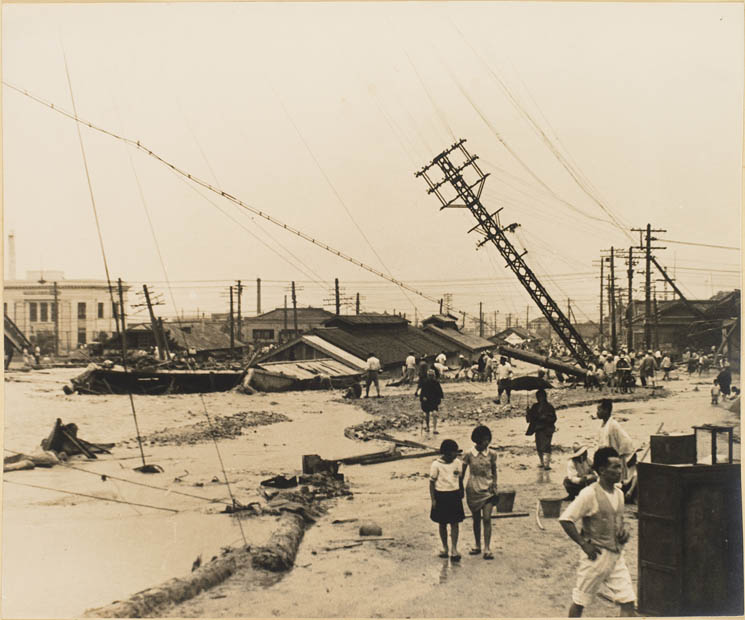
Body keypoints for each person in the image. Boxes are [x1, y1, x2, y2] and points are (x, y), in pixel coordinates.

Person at [559, 447, 635, 617]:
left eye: (620, 466)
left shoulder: (620, 494)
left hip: (616, 557)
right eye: (614, 467)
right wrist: (584, 544)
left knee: (628, 601)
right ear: (602, 470)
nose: (619, 470)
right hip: (595, 558)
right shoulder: (588, 494)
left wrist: (624, 532)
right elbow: (566, 519)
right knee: (580, 602)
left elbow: (618, 523)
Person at [461, 425, 498, 559]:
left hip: (488, 489)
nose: (486, 443)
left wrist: (495, 485)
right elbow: (462, 472)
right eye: (483, 440)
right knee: (476, 519)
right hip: (473, 489)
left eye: (488, 439)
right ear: (477, 440)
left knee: (487, 518)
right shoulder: (468, 454)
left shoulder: (492, 454)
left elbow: (494, 470)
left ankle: (487, 548)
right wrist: (459, 487)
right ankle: (477, 545)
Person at [429, 439, 465, 561]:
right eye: (454, 452)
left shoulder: (458, 463)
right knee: (442, 523)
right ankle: (445, 547)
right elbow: (432, 483)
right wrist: (433, 499)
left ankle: (454, 548)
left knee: (455, 523)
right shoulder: (436, 465)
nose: (456, 455)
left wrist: (461, 490)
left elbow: (459, 479)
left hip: (454, 495)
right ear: (447, 453)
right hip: (441, 496)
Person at [596, 399, 634, 485]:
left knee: (617, 481)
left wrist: (619, 456)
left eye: (599, 409)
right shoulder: (603, 425)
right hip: (606, 458)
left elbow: (626, 441)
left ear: (606, 410)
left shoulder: (614, 425)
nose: (597, 412)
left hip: (615, 458)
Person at [526, 389, 557, 470]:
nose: (540, 398)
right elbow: (530, 419)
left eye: (541, 396)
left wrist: (545, 418)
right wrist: (528, 413)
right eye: (538, 397)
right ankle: (542, 462)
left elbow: (554, 418)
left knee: (546, 445)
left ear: (545, 397)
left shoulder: (549, 407)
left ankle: (547, 464)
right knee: (539, 446)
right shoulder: (535, 406)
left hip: (547, 428)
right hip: (538, 428)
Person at [420, 369, 444, 434]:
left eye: (432, 375)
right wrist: (423, 397)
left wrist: (440, 398)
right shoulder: (425, 382)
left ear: (434, 376)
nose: (431, 377)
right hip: (427, 401)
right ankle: (428, 427)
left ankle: (435, 429)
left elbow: (440, 392)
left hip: (433, 400)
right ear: (428, 376)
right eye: (430, 375)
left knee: (435, 414)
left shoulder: (436, 382)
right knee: (427, 415)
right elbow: (422, 392)